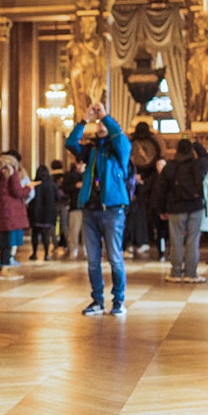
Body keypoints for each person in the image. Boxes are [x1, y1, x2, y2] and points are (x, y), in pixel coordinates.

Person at [66, 103, 132, 316]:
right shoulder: (91, 151)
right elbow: (70, 142)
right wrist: (84, 120)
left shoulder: (119, 151)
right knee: (93, 260)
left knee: (114, 257)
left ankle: (119, 300)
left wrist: (105, 117)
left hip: (112, 210)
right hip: (90, 210)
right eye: (99, 124)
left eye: (104, 124)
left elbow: (120, 139)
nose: (100, 125)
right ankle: (97, 301)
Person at [153, 139, 208, 283]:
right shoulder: (197, 165)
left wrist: (161, 209)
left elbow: (161, 190)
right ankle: (191, 274)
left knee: (176, 241)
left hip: (175, 207)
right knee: (193, 241)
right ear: (191, 151)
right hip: (195, 206)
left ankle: (176, 273)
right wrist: (197, 144)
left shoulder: (170, 167)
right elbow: (207, 159)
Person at [27, 164, 60, 261]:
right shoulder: (52, 184)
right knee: (46, 234)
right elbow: (58, 196)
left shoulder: (34, 184)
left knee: (35, 234)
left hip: (35, 213)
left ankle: (34, 253)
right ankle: (46, 254)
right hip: (48, 214)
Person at [61, 157, 86, 260]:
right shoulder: (70, 176)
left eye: (82, 164)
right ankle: (73, 250)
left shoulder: (89, 175)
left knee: (86, 232)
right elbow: (65, 189)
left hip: (87, 207)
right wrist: (75, 186)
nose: (80, 166)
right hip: (75, 206)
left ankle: (86, 250)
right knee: (74, 231)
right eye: (78, 164)